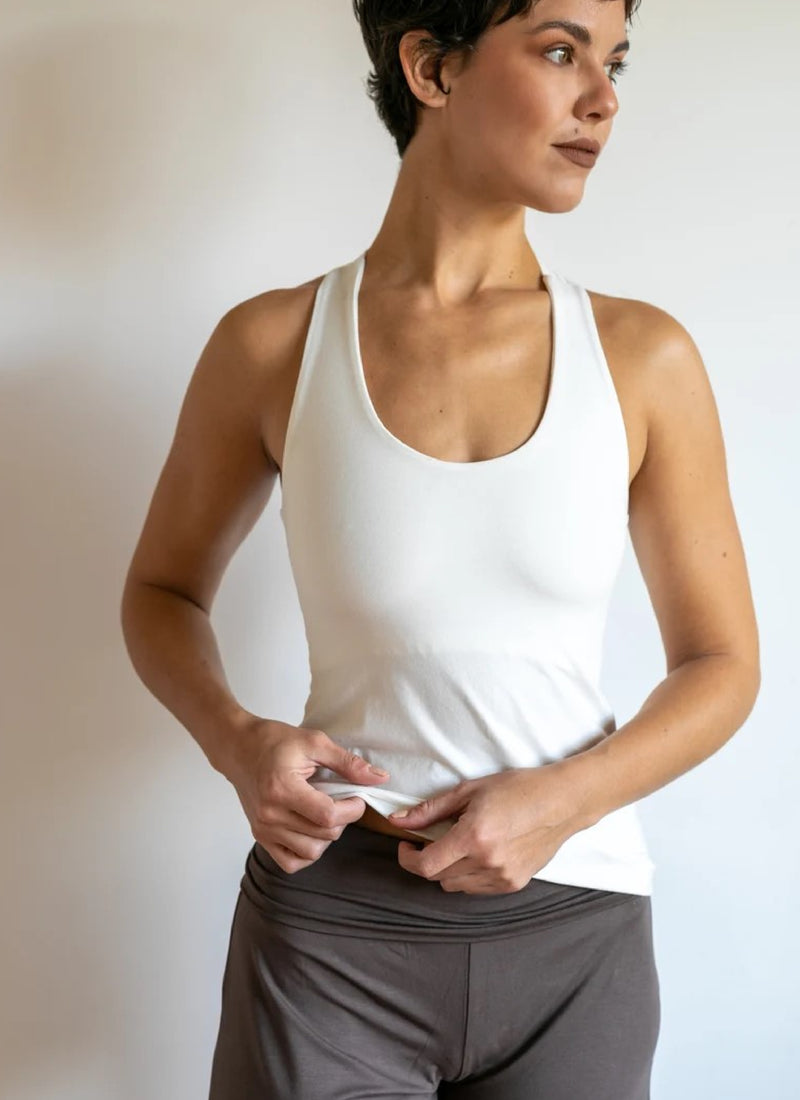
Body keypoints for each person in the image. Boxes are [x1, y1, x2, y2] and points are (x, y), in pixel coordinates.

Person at [120, 0, 761, 1097]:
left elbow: (721, 664)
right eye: (559, 52)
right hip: (328, 929)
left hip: (577, 932)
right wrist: (236, 741)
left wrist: (564, 798)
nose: (600, 100)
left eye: (613, 63)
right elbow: (162, 589)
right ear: (431, 67)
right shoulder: (272, 343)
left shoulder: (642, 355)